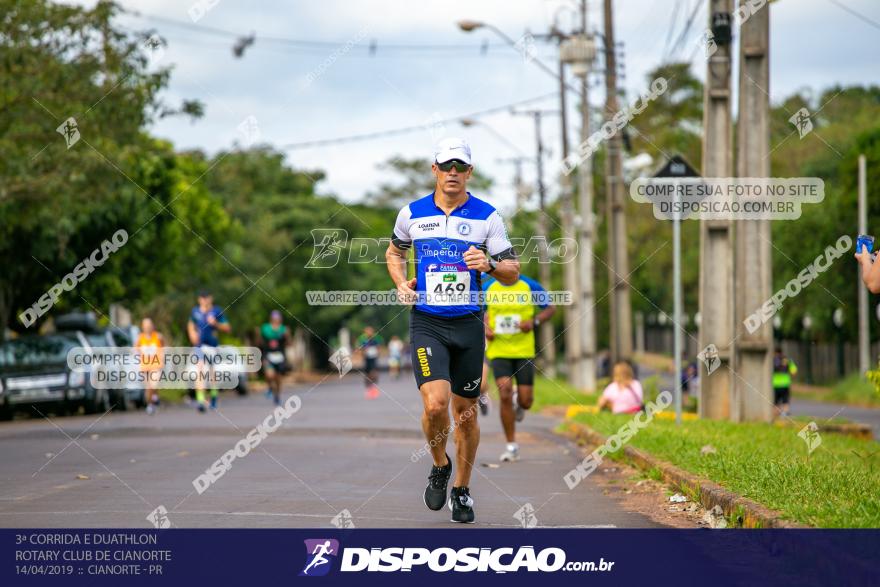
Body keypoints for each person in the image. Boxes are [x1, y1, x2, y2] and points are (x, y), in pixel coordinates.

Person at [385, 137, 520, 523]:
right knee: (435, 405)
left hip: (468, 323)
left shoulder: (487, 216)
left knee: (466, 413)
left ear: (469, 173)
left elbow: (513, 272)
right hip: (427, 320)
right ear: (435, 170)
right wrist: (400, 282)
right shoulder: (411, 213)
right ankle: (439, 464)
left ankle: (461, 489)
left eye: (460, 167)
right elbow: (395, 252)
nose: (453, 173)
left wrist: (489, 265)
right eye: (447, 167)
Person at [483, 273, 555, 462]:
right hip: (498, 350)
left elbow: (550, 308)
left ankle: (520, 402)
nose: (510, 266)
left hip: (524, 351)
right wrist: (484, 327)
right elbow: (475, 312)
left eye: (513, 262)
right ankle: (511, 445)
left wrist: (534, 322)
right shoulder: (488, 287)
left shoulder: (530, 285)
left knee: (526, 402)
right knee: (504, 393)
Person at [187, 290, 231, 412]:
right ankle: (200, 401)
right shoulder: (195, 311)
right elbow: (190, 324)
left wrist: (216, 324)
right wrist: (192, 334)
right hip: (199, 346)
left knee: (212, 374)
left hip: (212, 346)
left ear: (210, 299)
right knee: (199, 369)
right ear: (199, 299)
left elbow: (227, 328)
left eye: (206, 298)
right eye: (202, 298)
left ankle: (213, 397)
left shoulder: (217, 311)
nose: (204, 300)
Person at [259, 310, 290, 406]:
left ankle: (277, 396)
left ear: (280, 319)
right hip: (268, 355)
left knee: (278, 378)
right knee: (269, 375)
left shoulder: (284, 329)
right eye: (274, 318)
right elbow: (260, 340)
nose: (276, 320)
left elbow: (289, 343)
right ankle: (269, 388)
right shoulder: (265, 328)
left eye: (278, 318)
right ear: (271, 319)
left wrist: (287, 336)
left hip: (280, 356)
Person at [135, 318, 164, 415]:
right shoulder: (140, 338)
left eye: (149, 325)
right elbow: (135, 349)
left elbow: (163, 347)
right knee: (148, 388)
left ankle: (154, 398)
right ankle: (150, 404)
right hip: (145, 366)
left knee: (154, 384)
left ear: (152, 326)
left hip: (156, 365)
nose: (147, 328)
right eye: (145, 326)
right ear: (142, 327)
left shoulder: (158, 336)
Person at [356, 326, 384, 398]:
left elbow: (380, 345)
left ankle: (374, 386)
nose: (369, 333)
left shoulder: (376, 337)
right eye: (368, 331)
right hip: (366, 358)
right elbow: (359, 347)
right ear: (365, 332)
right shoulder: (362, 338)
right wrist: (361, 353)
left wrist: (378, 351)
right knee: (367, 373)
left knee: (373, 372)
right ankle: (368, 387)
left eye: (371, 331)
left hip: (374, 358)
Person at [772, 348, 798, 418]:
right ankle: (785, 415)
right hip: (785, 383)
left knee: (776, 402)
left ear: (775, 352)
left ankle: (776, 417)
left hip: (775, 384)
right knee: (785, 400)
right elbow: (794, 371)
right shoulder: (787, 360)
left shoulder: (772, 360)